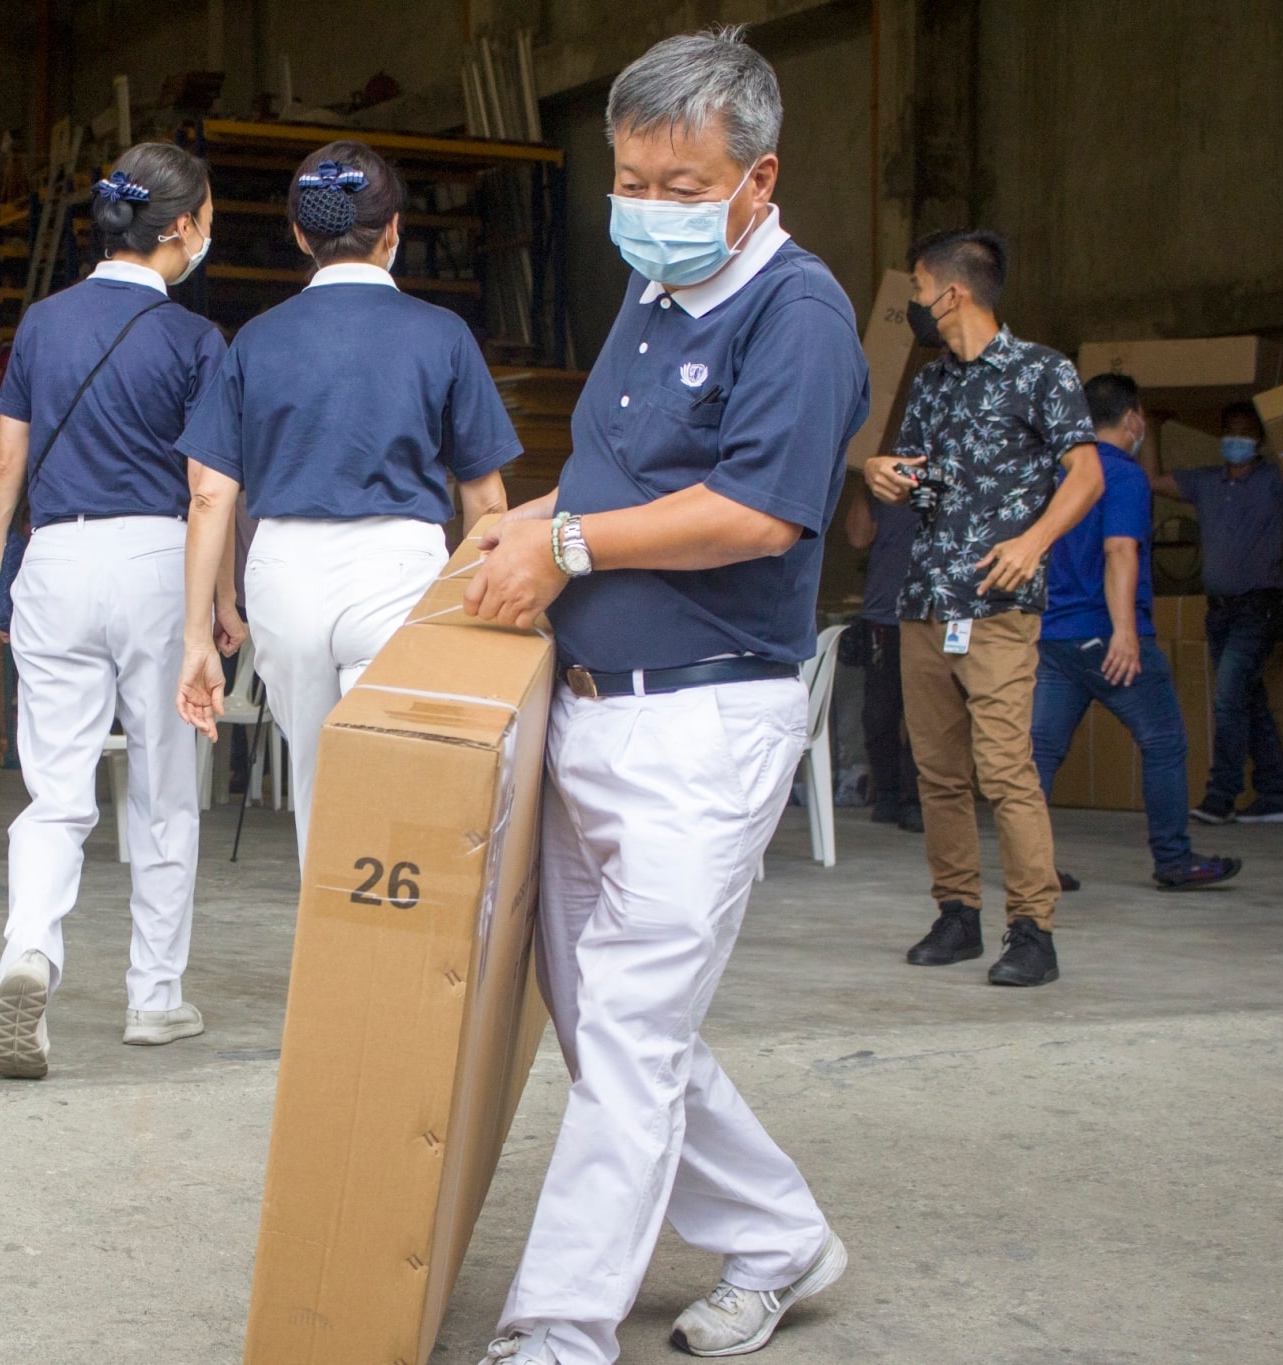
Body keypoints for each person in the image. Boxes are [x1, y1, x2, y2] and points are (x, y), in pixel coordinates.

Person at [460, 31, 865, 1362]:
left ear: (759, 179)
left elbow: (755, 514)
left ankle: (560, 1327)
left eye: (682, 186)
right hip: (589, 702)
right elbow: (610, 473)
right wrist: (522, 521)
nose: (650, 207)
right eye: (631, 177)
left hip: (705, 716)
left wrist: (565, 546)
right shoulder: (653, 290)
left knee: (632, 1029)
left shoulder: (799, 314)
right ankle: (779, 1237)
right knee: (617, 1022)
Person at [175, 138, 518, 863]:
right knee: (399, 777)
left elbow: (209, 496)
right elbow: (485, 499)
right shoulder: (442, 335)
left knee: (321, 779)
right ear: (395, 230)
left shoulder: (256, 342)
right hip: (399, 566)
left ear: (300, 234)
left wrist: (200, 634)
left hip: (284, 574)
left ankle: (336, 953)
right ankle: (390, 947)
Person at [0, 142, 233, 1080]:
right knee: (164, 793)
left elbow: (9, 465)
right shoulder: (198, 342)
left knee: (56, 791)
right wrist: (214, 608)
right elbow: (211, 488)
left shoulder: (42, 325)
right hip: (155, 558)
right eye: (205, 215)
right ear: (178, 228)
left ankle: (29, 953)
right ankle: (154, 999)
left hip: (54, 554)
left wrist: (1, 575)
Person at [861, 229, 1102, 988]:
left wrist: (1034, 542)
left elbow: (1086, 474)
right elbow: (922, 476)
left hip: (998, 605)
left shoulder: (1041, 372)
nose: (916, 308)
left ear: (953, 293)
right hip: (926, 597)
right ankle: (957, 914)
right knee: (937, 772)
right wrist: (883, 472)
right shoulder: (933, 384)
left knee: (1005, 769)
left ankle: (1032, 928)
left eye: (920, 292)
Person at [1031, 373, 1240, 890]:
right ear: (1131, 419)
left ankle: (1031, 863)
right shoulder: (1121, 475)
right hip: (1106, 634)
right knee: (1164, 741)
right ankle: (1173, 859)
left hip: (1055, 636)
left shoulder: (1062, 473)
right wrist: (1125, 632)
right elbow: (1120, 549)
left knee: (1038, 752)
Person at [1142, 400, 1283, 824]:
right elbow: (1153, 480)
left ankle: (1221, 795)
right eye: (1231, 432)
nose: (1237, 441)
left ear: (1261, 440)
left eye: (1246, 434)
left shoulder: (1275, 480)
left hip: (1262, 606)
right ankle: (1277, 794)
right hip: (1221, 612)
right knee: (1249, 699)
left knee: (1229, 697)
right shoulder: (1206, 481)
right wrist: (1154, 425)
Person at [842, 492, 923, 830]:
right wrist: (864, 484)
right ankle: (889, 793)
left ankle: (914, 799)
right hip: (883, 615)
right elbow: (858, 537)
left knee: (925, 714)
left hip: (927, 614)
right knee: (878, 714)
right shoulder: (882, 487)